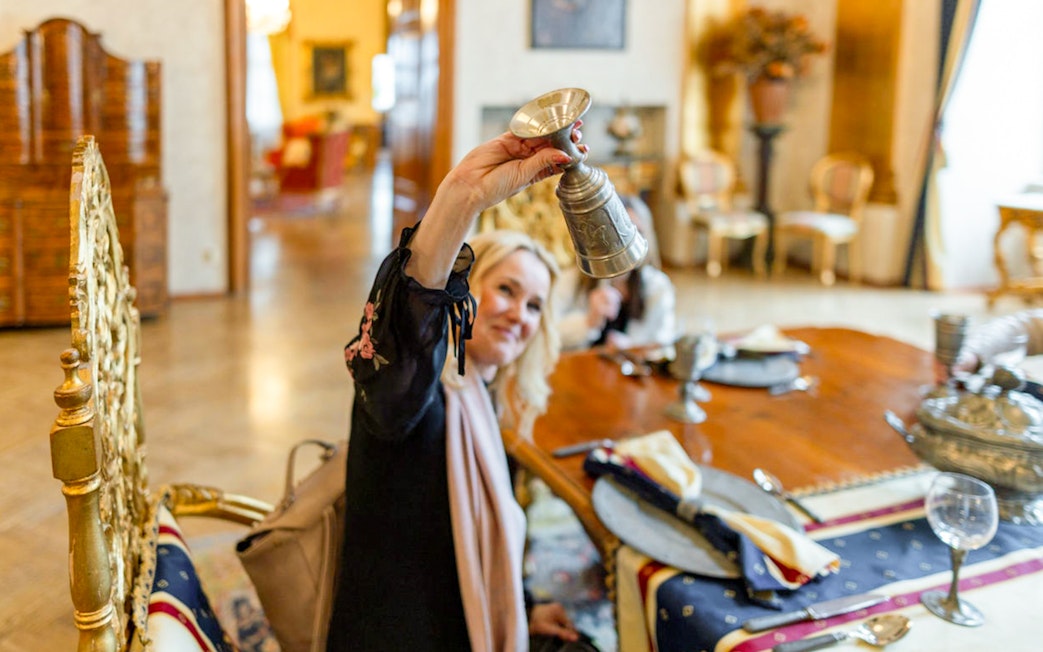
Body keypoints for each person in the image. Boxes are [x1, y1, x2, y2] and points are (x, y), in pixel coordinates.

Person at [327, 128, 598, 651]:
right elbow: (405, 330)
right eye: (505, 289)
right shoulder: (412, 396)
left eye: (535, 305)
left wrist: (522, 605)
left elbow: (478, 541)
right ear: (462, 296)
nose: (519, 313)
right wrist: (461, 198)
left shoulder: (484, 400)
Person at [553, 194, 677, 351]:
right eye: (617, 233)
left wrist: (631, 346)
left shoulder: (657, 286)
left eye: (637, 232)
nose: (626, 245)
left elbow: (664, 341)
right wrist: (588, 322)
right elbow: (545, 333)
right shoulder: (573, 279)